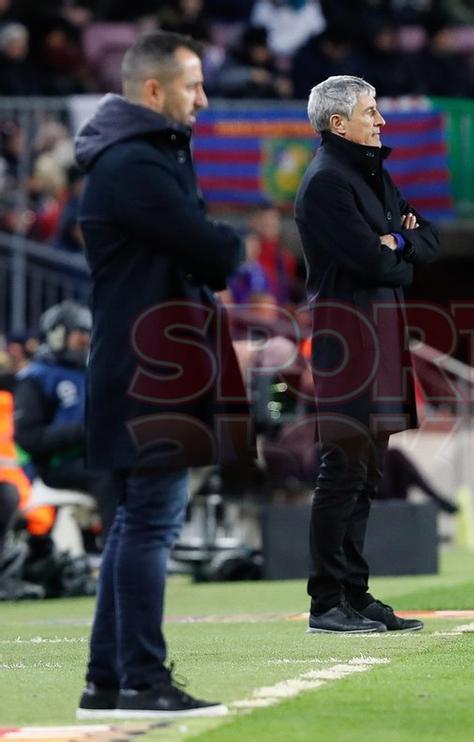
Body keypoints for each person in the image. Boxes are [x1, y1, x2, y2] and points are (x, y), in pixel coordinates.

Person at [73, 31, 246, 718]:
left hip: (136, 363)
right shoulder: (136, 165)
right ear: (153, 91)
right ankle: (141, 680)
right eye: (192, 85)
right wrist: (224, 243)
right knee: (150, 526)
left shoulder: (129, 160)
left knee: (134, 526)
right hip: (153, 371)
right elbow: (211, 249)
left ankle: (107, 682)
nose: (203, 99)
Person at [295, 75, 442, 634]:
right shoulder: (327, 182)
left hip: (380, 333)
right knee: (344, 468)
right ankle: (326, 600)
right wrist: (393, 249)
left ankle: (353, 594)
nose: (382, 121)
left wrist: (397, 241)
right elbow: (372, 264)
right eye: (371, 112)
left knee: (367, 469)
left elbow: (425, 237)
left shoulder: (370, 174)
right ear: (339, 124)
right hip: (347, 338)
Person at [13, 301, 117, 540]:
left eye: (87, 334)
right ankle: (116, 548)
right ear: (58, 335)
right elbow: (29, 437)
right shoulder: (36, 377)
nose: (85, 340)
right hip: (56, 464)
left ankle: (146, 545)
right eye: (79, 333)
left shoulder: (91, 374)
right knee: (110, 474)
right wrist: (84, 432)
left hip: (93, 457)